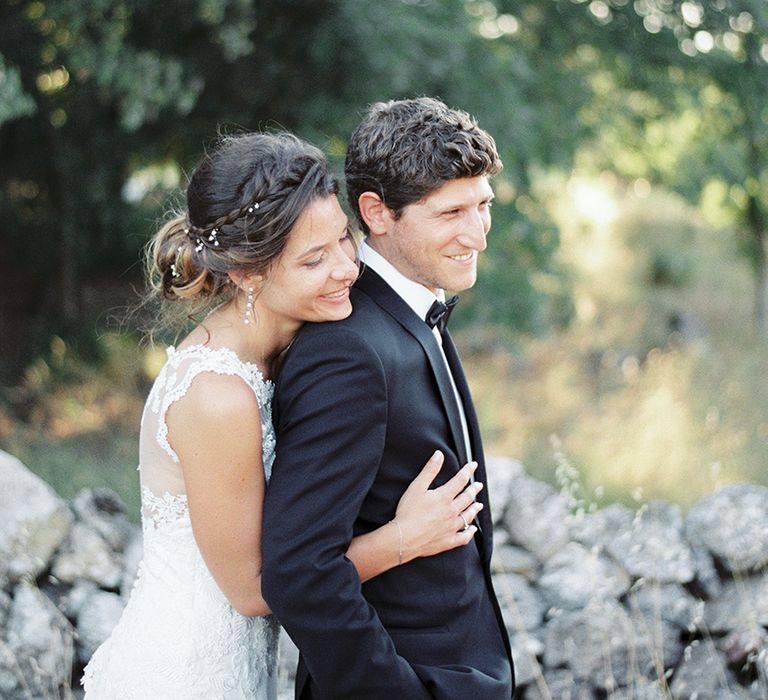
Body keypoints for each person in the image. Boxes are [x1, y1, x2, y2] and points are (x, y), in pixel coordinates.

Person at [80, 131, 487, 699]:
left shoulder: (285, 353)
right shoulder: (216, 393)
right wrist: (403, 538)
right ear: (248, 273)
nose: (347, 268)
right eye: (314, 260)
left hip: (244, 669)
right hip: (185, 675)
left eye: (343, 240)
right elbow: (252, 589)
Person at [262, 98, 515, 699]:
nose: (477, 232)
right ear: (376, 212)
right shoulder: (347, 351)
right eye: (451, 211)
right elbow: (300, 573)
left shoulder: (411, 311)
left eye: (484, 206)